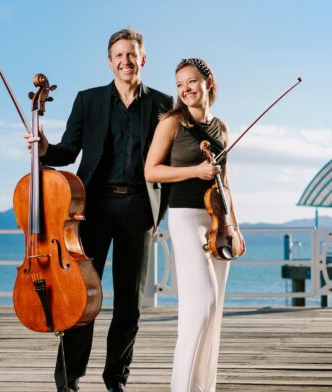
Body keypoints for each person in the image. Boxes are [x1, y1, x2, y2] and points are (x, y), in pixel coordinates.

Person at [24, 28, 173, 392]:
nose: (126, 60)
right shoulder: (88, 100)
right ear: (110, 62)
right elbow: (68, 152)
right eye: (119, 55)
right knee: (79, 300)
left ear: (143, 59)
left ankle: (116, 380)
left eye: (132, 54)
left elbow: (169, 163)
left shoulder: (163, 105)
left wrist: (160, 213)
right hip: (91, 208)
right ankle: (69, 380)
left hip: (139, 208)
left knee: (129, 305)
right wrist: (44, 149)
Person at [144, 58, 234, 392]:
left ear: (208, 82)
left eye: (192, 81)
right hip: (183, 216)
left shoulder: (221, 128)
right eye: (180, 84)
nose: (185, 89)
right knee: (203, 304)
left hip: (216, 218)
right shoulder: (171, 122)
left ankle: (203, 388)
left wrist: (232, 224)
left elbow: (227, 180)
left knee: (215, 309)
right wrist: (195, 172)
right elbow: (151, 171)